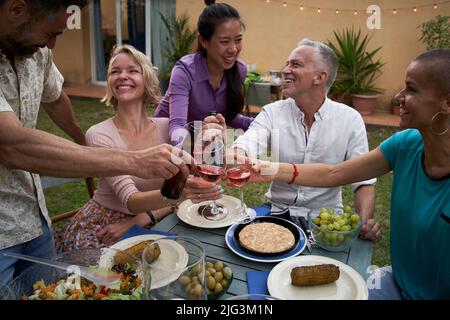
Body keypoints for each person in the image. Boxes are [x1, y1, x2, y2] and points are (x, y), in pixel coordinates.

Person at [0, 0, 189, 287]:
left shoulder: (37, 54)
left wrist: (80, 140)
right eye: (52, 32)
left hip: (35, 219)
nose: (51, 45)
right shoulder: (103, 132)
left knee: (49, 292)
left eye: (133, 70)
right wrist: (134, 160)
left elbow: (55, 96)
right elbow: (11, 145)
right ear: (16, 10)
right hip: (3, 232)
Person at [251, 49, 450, 300]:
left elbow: (358, 182)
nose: (399, 96)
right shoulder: (405, 145)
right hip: (397, 285)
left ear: (448, 102)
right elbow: (333, 173)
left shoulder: (350, 120)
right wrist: (266, 169)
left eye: (411, 89)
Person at [56, 45, 221, 252]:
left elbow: (200, 172)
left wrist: (212, 139)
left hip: (156, 218)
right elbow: (130, 201)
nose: (122, 76)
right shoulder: (99, 135)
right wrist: (179, 195)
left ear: (147, 81)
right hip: (106, 227)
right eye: (115, 72)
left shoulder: (168, 127)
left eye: (132, 70)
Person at [232, 39, 380, 241]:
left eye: (295, 64)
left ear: (320, 77)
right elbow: (249, 141)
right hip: (276, 212)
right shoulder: (273, 112)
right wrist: (238, 153)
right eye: (287, 63)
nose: (285, 70)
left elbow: (363, 181)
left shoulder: (350, 119)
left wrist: (362, 223)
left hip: (326, 222)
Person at [154, 0, 253, 146]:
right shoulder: (184, 71)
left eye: (238, 40)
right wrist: (183, 154)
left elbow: (227, 115)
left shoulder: (239, 70)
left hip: (202, 140)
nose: (233, 49)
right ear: (203, 41)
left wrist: (269, 124)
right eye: (225, 41)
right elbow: (176, 128)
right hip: (166, 139)